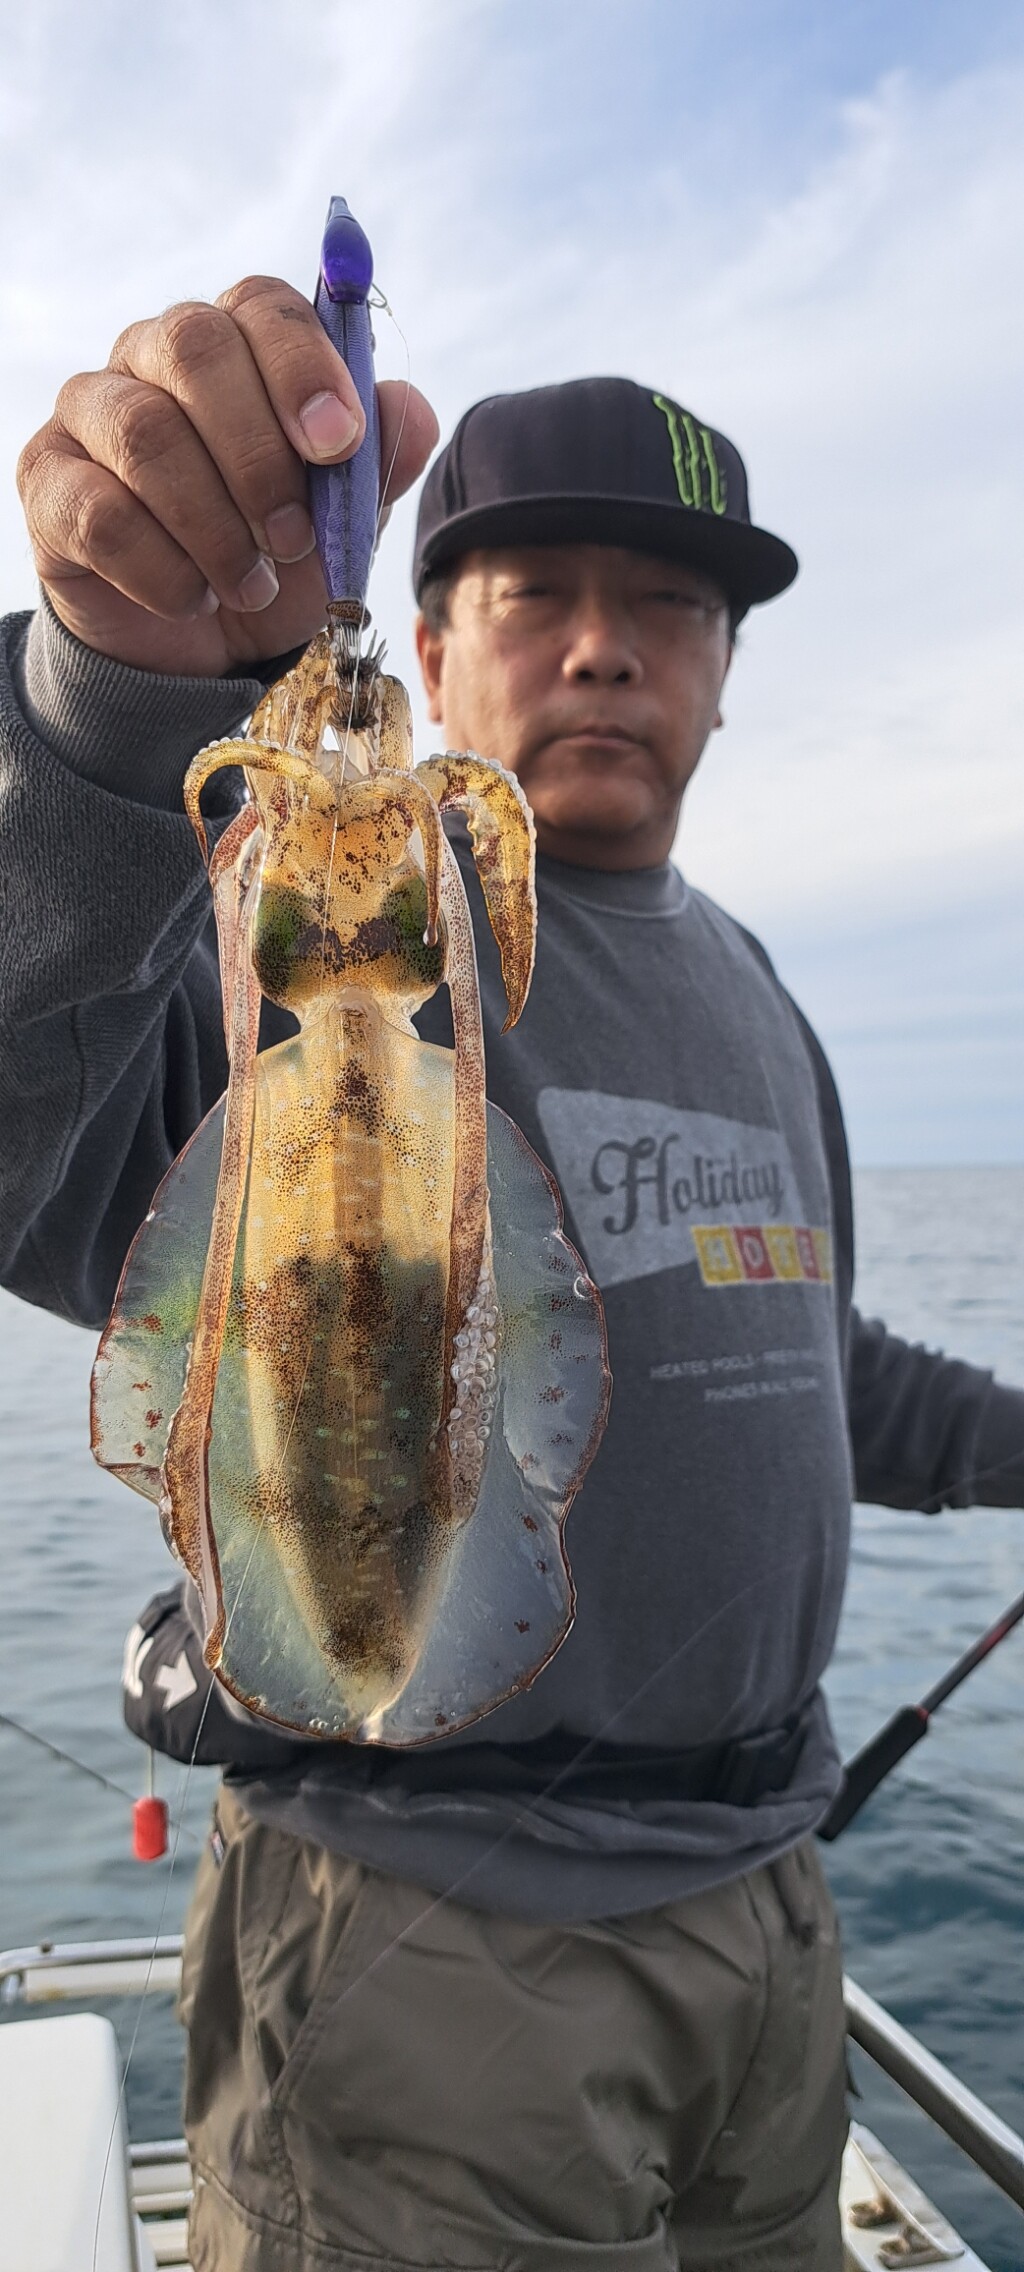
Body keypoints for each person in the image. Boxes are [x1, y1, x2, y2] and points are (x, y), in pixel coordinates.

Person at [3, 275, 1023, 2272]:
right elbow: (30, 1095)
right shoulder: (310, 960)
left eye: (667, 605)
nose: (602, 645)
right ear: (433, 650)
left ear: (723, 668)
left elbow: (806, 1369)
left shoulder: (753, 992)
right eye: (535, 591)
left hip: (764, 1910)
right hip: (432, 1945)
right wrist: (110, 712)